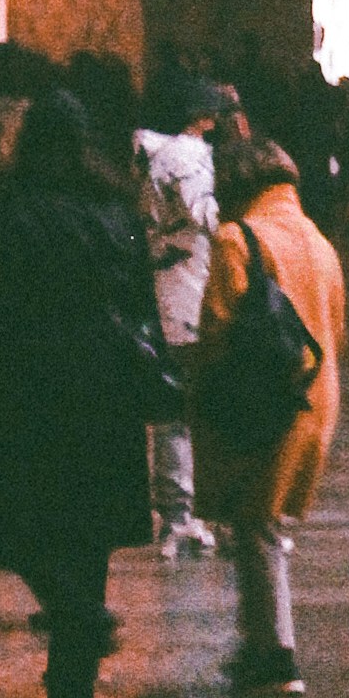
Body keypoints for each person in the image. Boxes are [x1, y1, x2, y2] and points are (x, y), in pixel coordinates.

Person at [0, 85, 165, 698]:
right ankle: (73, 684)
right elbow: (140, 306)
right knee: (89, 536)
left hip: (23, 392)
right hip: (105, 393)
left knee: (27, 528)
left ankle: (75, 613)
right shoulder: (113, 209)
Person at [194, 130, 347, 692]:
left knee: (254, 520)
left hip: (262, 392)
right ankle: (264, 642)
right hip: (314, 392)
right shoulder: (317, 239)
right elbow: (337, 324)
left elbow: (218, 321)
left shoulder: (239, 238)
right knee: (267, 520)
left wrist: (201, 385)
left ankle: (274, 655)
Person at [134, 71, 223, 555]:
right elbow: (202, 213)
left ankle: (176, 511)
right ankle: (184, 514)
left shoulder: (152, 155)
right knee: (188, 407)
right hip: (192, 290)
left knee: (174, 408)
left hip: (170, 288)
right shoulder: (187, 158)